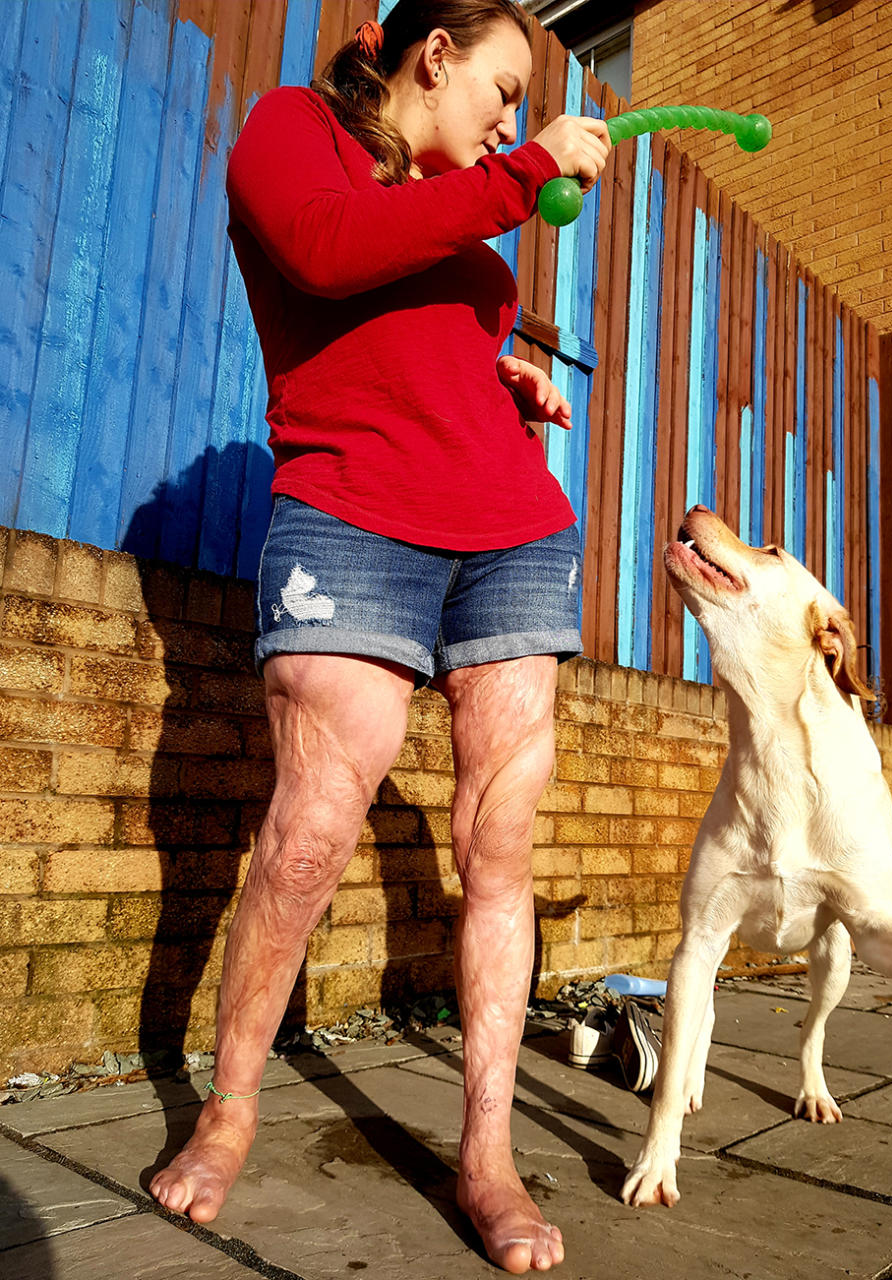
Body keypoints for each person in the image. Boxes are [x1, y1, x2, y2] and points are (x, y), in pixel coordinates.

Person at [148, 3, 610, 1273]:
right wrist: (523, 174)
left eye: (525, 108)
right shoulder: (292, 129)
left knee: (498, 841)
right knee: (309, 828)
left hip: (509, 524)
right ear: (435, 53)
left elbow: (422, 325)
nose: (512, 119)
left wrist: (500, 372)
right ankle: (231, 1107)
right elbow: (324, 249)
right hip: (349, 511)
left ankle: (488, 1152)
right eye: (503, 87)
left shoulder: (468, 200)